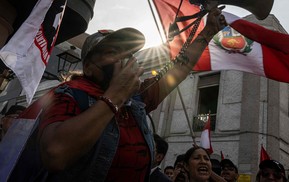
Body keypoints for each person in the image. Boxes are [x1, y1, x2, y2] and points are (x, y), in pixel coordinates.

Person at [10, 4, 227, 181]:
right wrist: (114, 97)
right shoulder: (67, 94)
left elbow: (179, 68)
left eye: (128, 52)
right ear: (89, 68)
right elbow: (55, 153)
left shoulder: (136, 98)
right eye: (113, 52)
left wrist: (207, 32)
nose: (124, 58)